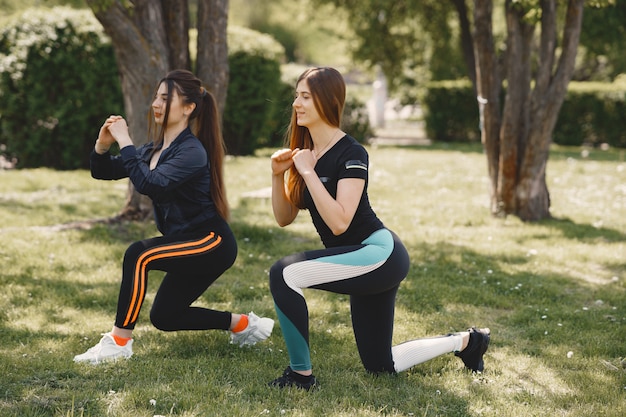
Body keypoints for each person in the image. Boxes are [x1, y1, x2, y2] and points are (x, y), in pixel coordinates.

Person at [267, 67, 490, 390]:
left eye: (305, 97)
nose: (296, 104)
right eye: (296, 96)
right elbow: (284, 217)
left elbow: (340, 222)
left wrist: (309, 174)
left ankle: (300, 376)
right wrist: (278, 175)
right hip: (358, 261)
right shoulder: (306, 155)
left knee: (284, 273)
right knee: (381, 366)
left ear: (328, 101)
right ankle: (469, 342)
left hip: (379, 255)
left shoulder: (351, 153)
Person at [74, 70, 274, 364]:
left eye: (165, 98)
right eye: (156, 96)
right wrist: (103, 144)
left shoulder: (191, 152)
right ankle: (243, 325)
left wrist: (126, 141)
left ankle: (119, 343)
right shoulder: (154, 150)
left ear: (189, 107)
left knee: (138, 255)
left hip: (211, 242)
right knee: (166, 316)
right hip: (185, 240)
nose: (156, 103)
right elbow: (102, 170)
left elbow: (149, 184)